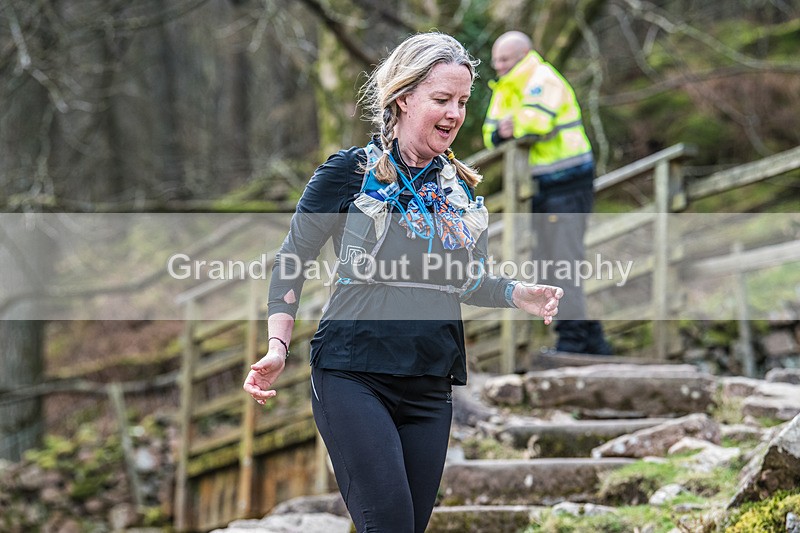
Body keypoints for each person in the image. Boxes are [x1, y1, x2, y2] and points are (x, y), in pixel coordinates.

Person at [243, 32, 563, 533]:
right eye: (442, 100)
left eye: (461, 101)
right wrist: (277, 347)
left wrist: (515, 292)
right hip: (353, 375)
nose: (455, 113)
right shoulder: (348, 173)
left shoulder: (459, 190)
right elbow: (293, 259)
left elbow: (464, 278)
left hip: (430, 384)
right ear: (403, 98)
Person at [482, 30, 613, 356]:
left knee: (563, 262)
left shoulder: (543, 78)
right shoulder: (505, 87)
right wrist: (507, 127)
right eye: (495, 61)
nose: (498, 67)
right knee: (547, 262)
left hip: (568, 184)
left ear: (523, 55)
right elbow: (490, 133)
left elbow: (536, 123)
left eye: (505, 60)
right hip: (539, 188)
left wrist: (512, 125)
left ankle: (573, 341)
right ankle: (589, 339)